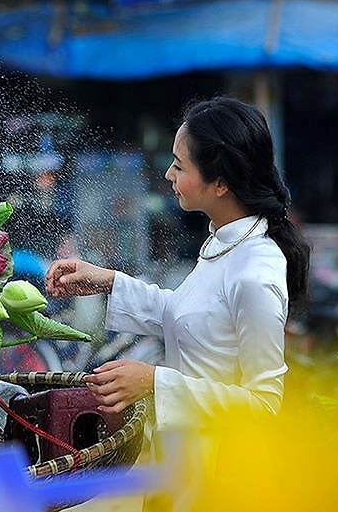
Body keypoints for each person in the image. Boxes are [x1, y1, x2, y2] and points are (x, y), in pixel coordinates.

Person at [46, 97, 309, 431]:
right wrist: (110, 281)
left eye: (180, 166)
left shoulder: (254, 274)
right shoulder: (223, 242)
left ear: (221, 183)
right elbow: (194, 320)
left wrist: (155, 382)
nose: (169, 174)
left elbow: (265, 405)